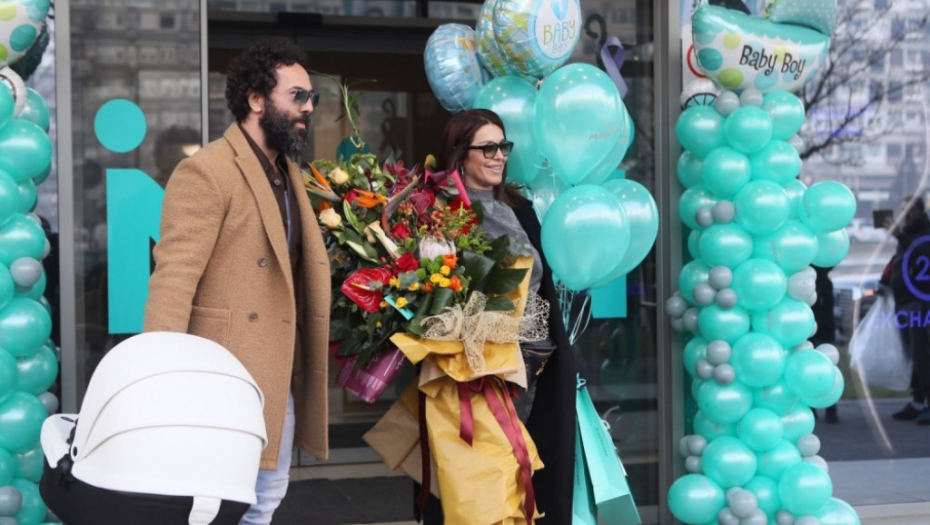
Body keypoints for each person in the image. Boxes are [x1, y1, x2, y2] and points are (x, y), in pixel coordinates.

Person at [143, 38, 332, 524]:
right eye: (297, 95)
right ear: (256, 99)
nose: (309, 107)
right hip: (221, 375)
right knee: (216, 503)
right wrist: (160, 377)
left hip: (276, 370)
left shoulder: (289, 172)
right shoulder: (205, 171)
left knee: (266, 497)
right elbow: (173, 278)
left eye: (311, 97)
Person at [419, 108, 577, 523]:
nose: (499, 155)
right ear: (459, 154)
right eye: (487, 147)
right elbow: (432, 298)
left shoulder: (520, 207)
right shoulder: (441, 214)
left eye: (503, 146)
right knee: (483, 484)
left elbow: (542, 285)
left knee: (527, 478)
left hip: (534, 367)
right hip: (476, 375)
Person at [884, 195, 930, 425]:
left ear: (921, 212)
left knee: (923, 355)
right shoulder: (909, 234)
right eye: (903, 210)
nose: (906, 215)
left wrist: (900, 236)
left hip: (921, 304)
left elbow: (923, 258)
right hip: (905, 303)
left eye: (910, 210)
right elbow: (901, 260)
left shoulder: (924, 234)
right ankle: (918, 401)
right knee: (912, 355)